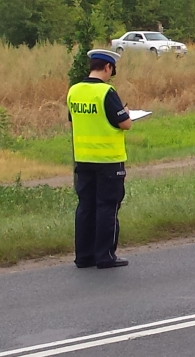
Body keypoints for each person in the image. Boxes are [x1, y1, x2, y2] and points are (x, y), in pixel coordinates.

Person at [67, 49, 131, 269]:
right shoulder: (106, 92)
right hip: (108, 159)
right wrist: (126, 113)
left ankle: (83, 256)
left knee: (86, 206)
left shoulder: (74, 91)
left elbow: (73, 119)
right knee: (107, 206)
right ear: (107, 68)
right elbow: (125, 123)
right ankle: (105, 255)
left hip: (83, 158)